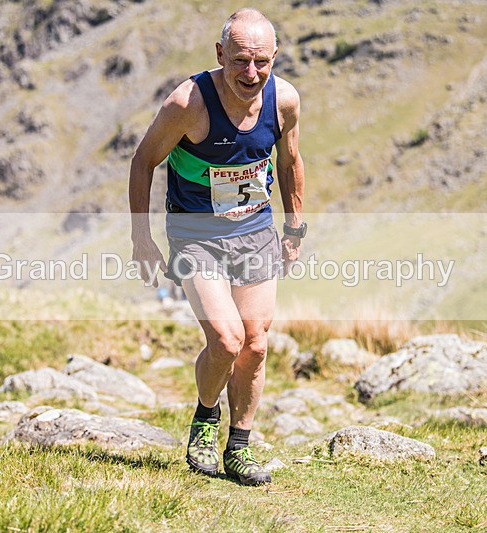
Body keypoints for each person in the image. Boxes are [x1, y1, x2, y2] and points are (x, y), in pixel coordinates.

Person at [128, 8, 305, 486]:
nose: (251, 73)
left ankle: (239, 447)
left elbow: (289, 161)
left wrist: (295, 229)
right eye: (241, 61)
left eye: (262, 62)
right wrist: (141, 238)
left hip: (255, 231)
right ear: (220, 53)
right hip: (195, 234)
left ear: (274, 59)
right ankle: (205, 420)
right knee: (225, 340)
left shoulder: (283, 100)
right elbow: (144, 161)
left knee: (255, 343)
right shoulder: (188, 103)